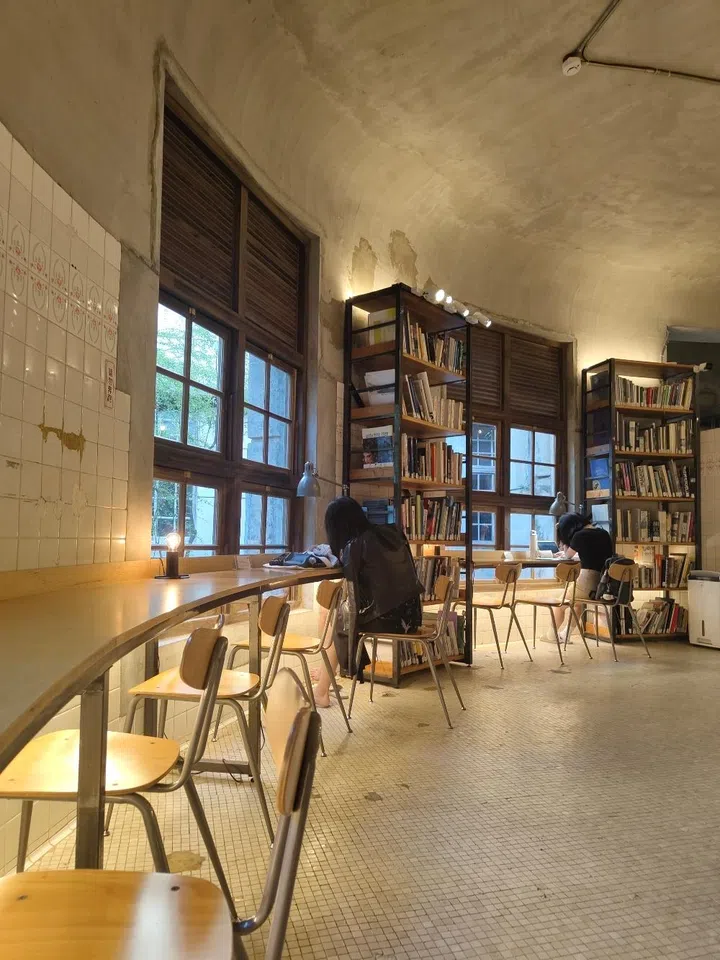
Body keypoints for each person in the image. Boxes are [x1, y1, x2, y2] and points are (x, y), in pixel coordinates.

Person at [312, 496, 423, 707]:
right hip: (411, 614)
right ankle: (328, 672)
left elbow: (354, 595)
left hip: (388, 620)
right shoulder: (392, 533)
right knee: (336, 614)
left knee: (337, 618)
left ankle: (322, 691)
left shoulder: (355, 546)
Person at [545, 512, 613, 643]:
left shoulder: (579, 536)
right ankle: (566, 635)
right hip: (602, 585)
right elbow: (593, 554)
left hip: (587, 582)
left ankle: (551, 636)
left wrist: (564, 544)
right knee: (577, 604)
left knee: (559, 604)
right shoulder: (603, 533)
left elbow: (568, 555)